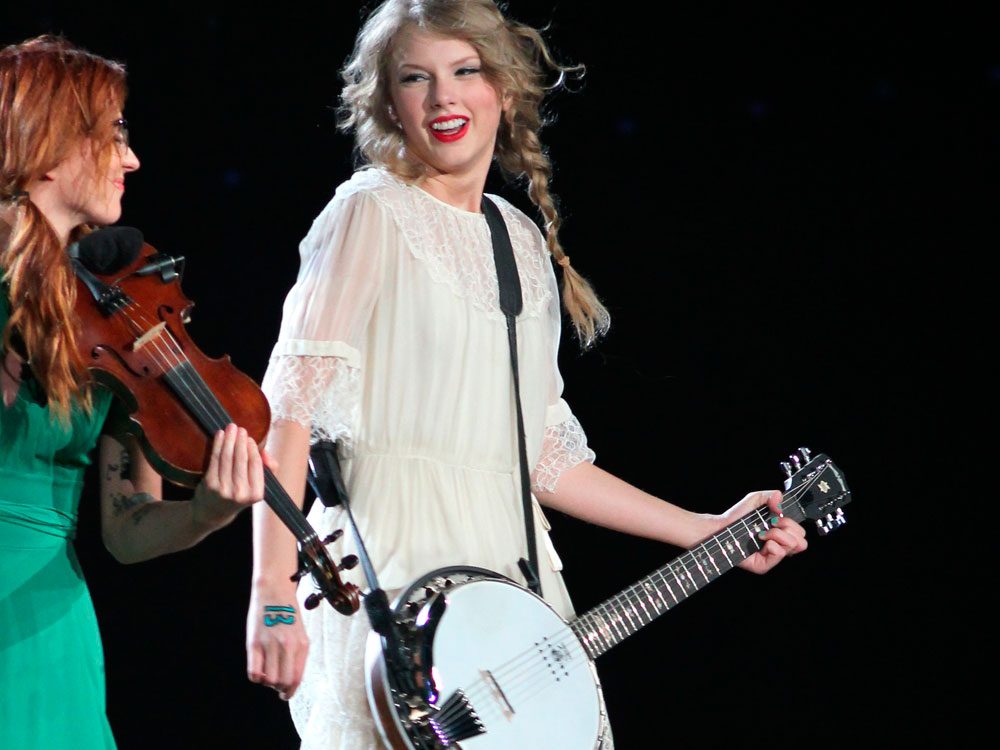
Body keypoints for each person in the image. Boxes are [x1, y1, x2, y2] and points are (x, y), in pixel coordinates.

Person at [246, 2, 808, 748]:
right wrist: (272, 596)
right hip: (387, 570)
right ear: (390, 103)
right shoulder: (369, 213)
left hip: (512, 595)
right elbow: (288, 415)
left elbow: (543, 458)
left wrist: (705, 530)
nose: (444, 98)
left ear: (503, 91)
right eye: (417, 78)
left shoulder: (519, 242)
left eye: (465, 71)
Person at [0, 36, 269, 749]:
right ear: (51, 146)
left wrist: (206, 514)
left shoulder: (116, 317)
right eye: (114, 134)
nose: (133, 159)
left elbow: (127, 527)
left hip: (46, 626)